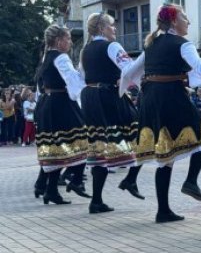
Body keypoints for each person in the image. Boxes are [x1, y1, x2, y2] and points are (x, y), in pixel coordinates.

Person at [120, 4, 201, 223]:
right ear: (175, 21)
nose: (189, 22)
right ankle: (191, 181)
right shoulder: (183, 44)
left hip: (150, 99)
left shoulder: (151, 44)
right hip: (171, 97)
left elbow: (130, 71)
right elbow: (200, 66)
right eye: (185, 18)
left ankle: (163, 211)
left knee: (165, 157)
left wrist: (125, 90)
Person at [78, 12, 145, 214]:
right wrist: (146, 58)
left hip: (90, 97)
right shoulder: (111, 46)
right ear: (101, 28)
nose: (114, 28)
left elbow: (82, 75)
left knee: (100, 146)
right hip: (108, 96)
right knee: (143, 133)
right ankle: (130, 179)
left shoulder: (85, 50)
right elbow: (129, 69)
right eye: (111, 25)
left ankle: (96, 200)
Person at [34, 24, 90, 204]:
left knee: (56, 147)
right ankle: (76, 179)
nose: (70, 42)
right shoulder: (61, 57)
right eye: (68, 38)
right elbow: (72, 81)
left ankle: (49, 189)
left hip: (48, 103)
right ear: (58, 41)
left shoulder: (46, 57)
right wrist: (82, 94)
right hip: (61, 104)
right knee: (84, 138)